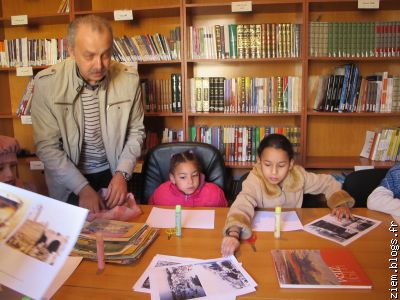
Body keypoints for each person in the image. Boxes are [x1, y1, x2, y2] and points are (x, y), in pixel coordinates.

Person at [31, 15, 145, 213]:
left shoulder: (129, 80)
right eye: (89, 56)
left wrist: (122, 174)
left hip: (112, 172)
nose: (99, 65)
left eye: (106, 54)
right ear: (71, 51)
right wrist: (82, 187)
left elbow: (136, 132)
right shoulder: (46, 84)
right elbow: (47, 147)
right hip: (67, 179)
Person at [221, 134, 355, 256]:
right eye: (267, 164)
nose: (274, 172)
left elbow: (329, 182)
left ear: (290, 164)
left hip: (293, 239)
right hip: (262, 241)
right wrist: (233, 233)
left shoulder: (298, 176)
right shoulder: (255, 179)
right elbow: (242, 204)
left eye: (281, 165)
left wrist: (340, 203)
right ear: (259, 161)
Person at [149, 150, 228, 207]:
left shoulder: (214, 193)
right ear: (172, 178)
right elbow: (150, 213)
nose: (190, 182)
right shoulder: (161, 193)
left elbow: (223, 217)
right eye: (183, 177)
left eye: (194, 175)